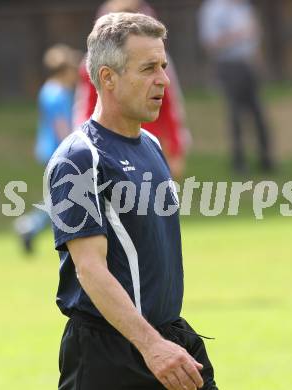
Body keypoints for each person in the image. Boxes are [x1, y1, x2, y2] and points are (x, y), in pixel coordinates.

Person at [48, 12, 218, 390]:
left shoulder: (152, 146)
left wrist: (161, 342)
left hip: (166, 339)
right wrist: (151, 345)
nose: (163, 80)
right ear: (108, 77)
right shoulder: (79, 159)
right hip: (110, 355)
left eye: (163, 66)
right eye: (148, 69)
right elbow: (89, 270)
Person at [73, 0, 191, 181]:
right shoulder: (91, 63)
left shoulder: (159, 59)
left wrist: (175, 147)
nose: (163, 79)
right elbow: (86, 105)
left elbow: (171, 106)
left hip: (148, 145)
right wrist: (84, 143)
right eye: (147, 69)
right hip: (106, 145)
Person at [14, 44, 81, 253]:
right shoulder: (57, 93)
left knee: (65, 196)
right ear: (65, 70)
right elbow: (61, 126)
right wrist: (73, 150)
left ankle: (32, 226)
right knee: (67, 197)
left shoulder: (49, 89)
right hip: (58, 151)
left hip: (49, 149)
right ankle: (31, 226)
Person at [198, 0, 274, 173]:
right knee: (236, 115)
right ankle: (239, 162)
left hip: (248, 64)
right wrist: (237, 35)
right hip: (229, 66)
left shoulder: (244, 7)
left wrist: (257, 60)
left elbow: (254, 37)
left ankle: (266, 159)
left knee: (259, 112)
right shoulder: (213, 9)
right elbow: (210, 43)